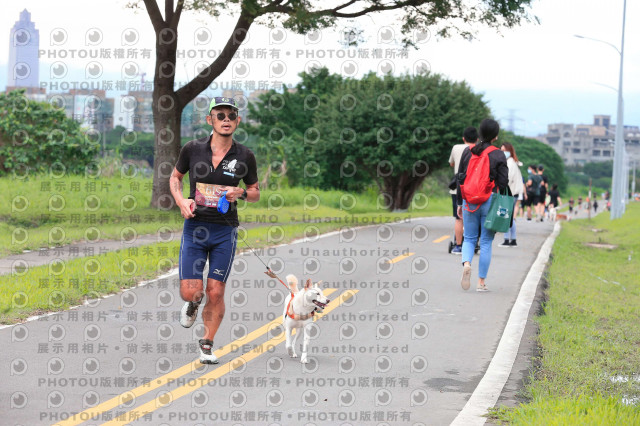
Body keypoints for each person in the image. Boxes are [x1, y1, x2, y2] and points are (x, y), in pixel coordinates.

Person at [169, 97, 260, 364]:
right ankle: (193, 304)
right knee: (191, 291)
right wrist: (180, 201)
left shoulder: (245, 156)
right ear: (210, 120)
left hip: (225, 231)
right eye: (220, 115)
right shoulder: (192, 149)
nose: (226, 120)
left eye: (231, 115)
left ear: (238, 121)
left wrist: (241, 192)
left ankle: (207, 344)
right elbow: (175, 177)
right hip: (195, 228)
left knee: (216, 290)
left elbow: (255, 193)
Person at [456, 118, 509, 292]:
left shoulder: (468, 151)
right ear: (495, 136)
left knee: (469, 238)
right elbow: (503, 182)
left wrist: (459, 202)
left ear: (480, 133)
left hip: (469, 200)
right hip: (489, 200)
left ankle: (466, 263)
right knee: (486, 241)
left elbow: (460, 178)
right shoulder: (498, 154)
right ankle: (481, 283)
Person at [448, 127, 478, 254]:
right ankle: (473, 243)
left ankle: (458, 246)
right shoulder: (479, 149)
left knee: (458, 218)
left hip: (458, 189)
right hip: (475, 190)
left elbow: (451, 163)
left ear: (463, 138)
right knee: (474, 217)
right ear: (477, 139)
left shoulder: (456, 148)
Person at [498, 142, 524, 248]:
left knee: (506, 217)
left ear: (509, 151)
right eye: (501, 150)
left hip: (510, 192)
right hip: (513, 192)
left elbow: (507, 179)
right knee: (510, 218)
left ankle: (506, 240)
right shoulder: (512, 162)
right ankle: (513, 239)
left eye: (504, 151)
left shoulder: (509, 163)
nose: (503, 152)